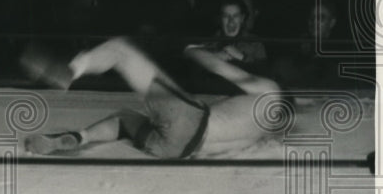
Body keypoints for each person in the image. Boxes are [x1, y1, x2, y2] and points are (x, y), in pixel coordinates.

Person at [21, 36, 280, 159]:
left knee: (120, 50)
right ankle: (79, 138)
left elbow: (216, 67)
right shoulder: (264, 129)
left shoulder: (270, 91)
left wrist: (194, 48)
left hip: (191, 121)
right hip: (177, 150)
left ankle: (70, 70)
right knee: (124, 120)